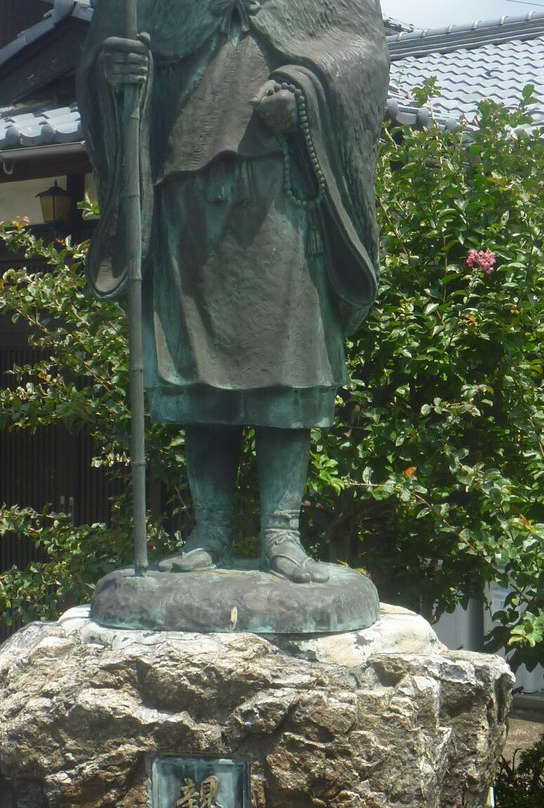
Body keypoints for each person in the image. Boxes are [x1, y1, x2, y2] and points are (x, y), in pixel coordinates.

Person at [77, 0, 388, 583]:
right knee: (196, 374)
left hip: (283, 186)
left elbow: (362, 48)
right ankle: (211, 530)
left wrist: (304, 89)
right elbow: (103, 49)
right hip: (185, 184)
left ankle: (281, 532)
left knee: (290, 369)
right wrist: (112, 75)